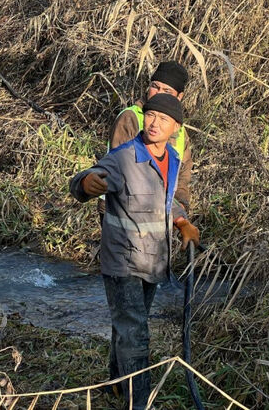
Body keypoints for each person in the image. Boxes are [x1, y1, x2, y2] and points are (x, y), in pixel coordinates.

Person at [70, 93, 200, 409]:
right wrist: (89, 183)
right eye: (150, 116)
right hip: (122, 261)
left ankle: (115, 383)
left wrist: (182, 222)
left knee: (127, 325)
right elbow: (80, 183)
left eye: (163, 119)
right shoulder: (125, 157)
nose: (154, 123)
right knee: (136, 333)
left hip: (153, 259)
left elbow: (167, 202)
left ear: (176, 128)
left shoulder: (171, 158)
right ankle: (139, 403)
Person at [102, 61, 193, 222]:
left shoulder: (179, 130)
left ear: (180, 97)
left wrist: (181, 207)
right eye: (155, 86)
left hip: (159, 213)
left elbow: (182, 174)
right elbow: (125, 171)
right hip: (122, 208)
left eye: (167, 91)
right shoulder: (131, 117)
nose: (158, 93)